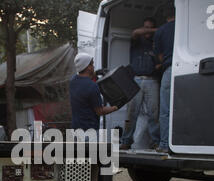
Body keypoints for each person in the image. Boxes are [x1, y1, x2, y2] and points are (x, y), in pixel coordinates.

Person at [120, 17, 161, 150]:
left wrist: (157, 66)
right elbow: (136, 32)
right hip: (136, 79)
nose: (146, 30)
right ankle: (126, 140)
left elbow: (161, 60)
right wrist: (155, 29)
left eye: (150, 27)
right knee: (131, 113)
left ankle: (156, 141)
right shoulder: (136, 41)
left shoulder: (156, 43)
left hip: (152, 80)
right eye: (145, 27)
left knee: (153, 113)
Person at [69, 53, 119, 137]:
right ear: (88, 67)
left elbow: (84, 79)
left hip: (75, 129)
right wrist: (115, 107)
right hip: (89, 131)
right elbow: (100, 111)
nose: (93, 66)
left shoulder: (73, 81)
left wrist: (95, 73)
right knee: (89, 150)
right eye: (92, 64)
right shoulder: (92, 86)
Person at [154, 6, 176, 153]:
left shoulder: (161, 31)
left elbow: (160, 57)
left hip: (169, 69)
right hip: (189, 69)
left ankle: (164, 144)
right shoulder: (184, 27)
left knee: (166, 110)